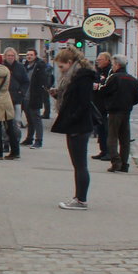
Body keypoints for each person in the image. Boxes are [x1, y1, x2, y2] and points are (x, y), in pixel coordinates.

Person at [49, 47, 96, 210]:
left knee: (80, 164)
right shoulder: (76, 76)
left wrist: (71, 118)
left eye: (61, 67)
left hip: (79, 125)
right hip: (77, 124)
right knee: (78, 164)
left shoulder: (81, 77)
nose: (60, 71)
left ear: (70, 63)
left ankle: (81, 200)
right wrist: (58, 95)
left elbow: (83, 103)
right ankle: (79, 198)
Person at [98, 54, 138, 172]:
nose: (112, 66)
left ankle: (115, 161)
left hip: (114, 111)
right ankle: (124, 164)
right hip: (126, 111)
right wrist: (129, 103)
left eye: (113, 64)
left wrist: (100, 87)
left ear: (117, 65)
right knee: (125, 139)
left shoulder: (114, 78)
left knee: (112, 137)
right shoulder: (132, 79)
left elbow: (104, 91)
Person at [2, 48, 29, 158]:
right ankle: (6, 143)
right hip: (4, 99)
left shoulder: (20, 67)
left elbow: (26, 82)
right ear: (5, 56)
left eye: (12, 55)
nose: (10, 57)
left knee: (16, 122)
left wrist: (21, 92)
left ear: (15, 56)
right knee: (4, 124)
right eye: (8, 55)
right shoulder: (2, 67)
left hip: (16, 99)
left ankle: (15, 142)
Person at [23, 49, 49, 149]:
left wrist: (42, 93)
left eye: (31, 55)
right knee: (29, 119)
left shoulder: (39, 66)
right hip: (25, 97)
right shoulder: (25, 66)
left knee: (36, 119)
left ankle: (39, 140)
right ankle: (29, 138)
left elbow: (44, 81)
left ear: (35, 56)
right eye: (27, 55)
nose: (29, 56)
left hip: (34, 96)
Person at [90, 51, 112, 160]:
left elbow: (108, 86)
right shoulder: (98, 71)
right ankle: (103, 150)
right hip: (98, 104)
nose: (98, 62)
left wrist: (99, 85)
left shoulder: (110, 72)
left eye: (100, 60)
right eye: (97, 60)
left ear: (107, 60)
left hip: (105, 105)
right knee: (100, 130)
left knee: (106, 130)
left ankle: (108, 152)